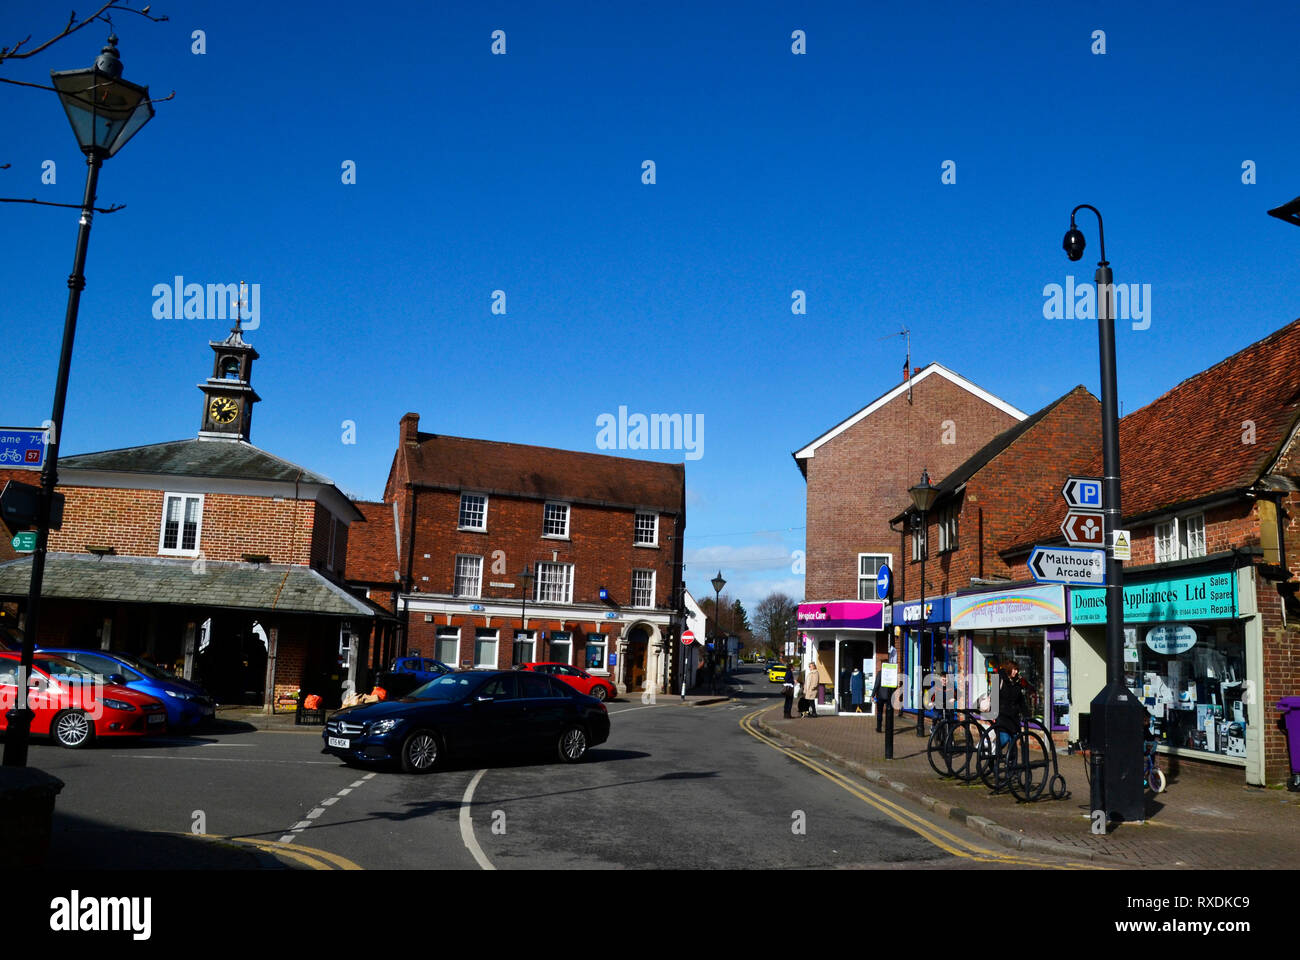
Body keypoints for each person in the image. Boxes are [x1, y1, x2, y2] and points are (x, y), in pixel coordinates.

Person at [994, 660, 1029, 749]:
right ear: (1008, 669)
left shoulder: (1017, 681)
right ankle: (991, 753)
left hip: (1014, 718)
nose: (1016, 671)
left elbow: (1021, 700)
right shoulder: (998, 678)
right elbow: (994, 697)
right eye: (1014, 669)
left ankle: (1011, 762)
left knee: (1013, 743)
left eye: (1017, 670)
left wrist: (1026, 715)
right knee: (1004, 739)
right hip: (1002, 716)